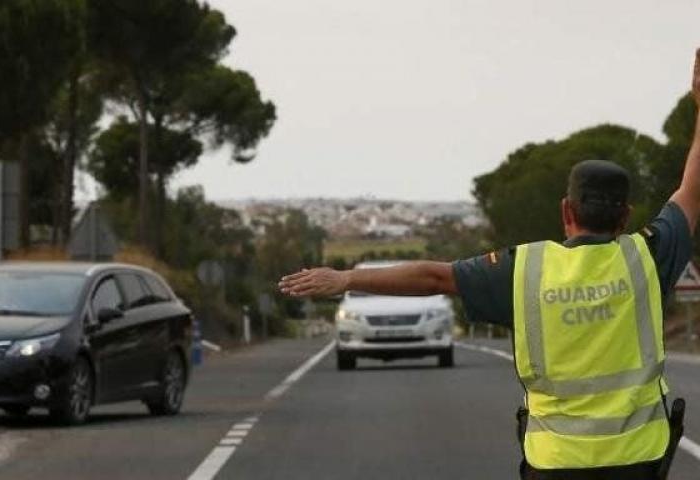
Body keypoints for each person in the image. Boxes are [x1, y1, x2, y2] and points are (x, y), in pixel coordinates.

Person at [278, 50, 700, 479]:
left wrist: (346, 277)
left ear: (565, 211)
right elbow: (692, 189)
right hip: (637, 462)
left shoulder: (524, 270)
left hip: (555, 464)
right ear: (625, 216)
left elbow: (433, 277)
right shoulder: (647, 258)